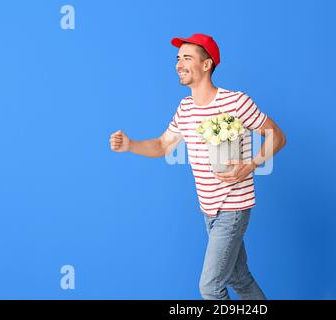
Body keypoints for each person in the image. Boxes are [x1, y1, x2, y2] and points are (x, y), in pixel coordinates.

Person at [109, 33, 286, 300]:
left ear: (207, 64)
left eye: (187, 58)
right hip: (208, 209)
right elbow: (162, 146)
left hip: (232, 207)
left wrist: (251, 165)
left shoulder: (235, 102)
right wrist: (131, 145)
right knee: (238, 276)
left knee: (210, 287)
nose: (179, 64)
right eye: (178, 59)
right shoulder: (185, 108)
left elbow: (277, 136)